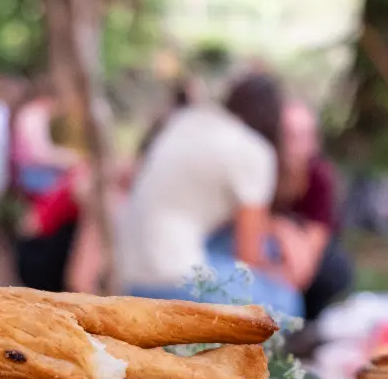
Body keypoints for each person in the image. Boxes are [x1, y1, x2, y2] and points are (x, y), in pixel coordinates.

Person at [112, 72, 302, 317]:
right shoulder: (255, 150)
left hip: (126, 275)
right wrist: (281, 273)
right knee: (287, 302)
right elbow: (249, 257)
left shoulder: (186, 121)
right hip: (169, 280)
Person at [272, 100, 353, 321]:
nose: (296, 144)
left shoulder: (320, 177)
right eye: (289, 134)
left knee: (333, 270)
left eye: (305, 135)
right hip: (269, 254)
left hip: (305, 260)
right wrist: (283, 229)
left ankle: (305, 324)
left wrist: (294, 247)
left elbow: (311, 251)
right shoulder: (264, 169)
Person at [10, 77, 80, 196]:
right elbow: (39, 154)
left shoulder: (31, 113)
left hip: (31, 169)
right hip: (32, 173)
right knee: (77, 186)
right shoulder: (35, 116)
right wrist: (69, 159)